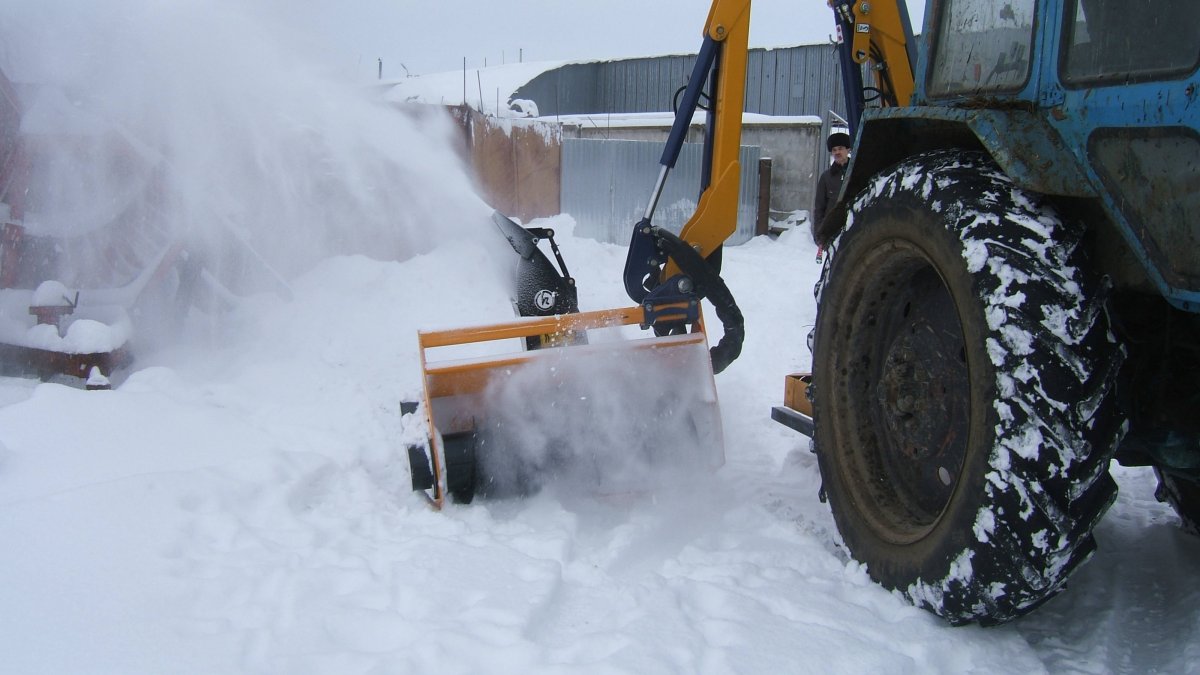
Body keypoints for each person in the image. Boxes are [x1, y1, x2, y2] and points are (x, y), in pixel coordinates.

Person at [812, 131, 851, 245]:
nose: (837, 152)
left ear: (848, 150)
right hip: (833, 233)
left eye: (840, 148)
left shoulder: (857, 173)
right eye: (834, 150)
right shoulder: (826, 177)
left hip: (854, 229)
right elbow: (819, 208)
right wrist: (819, 233)